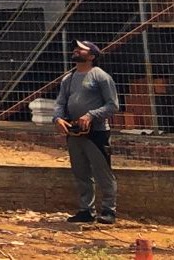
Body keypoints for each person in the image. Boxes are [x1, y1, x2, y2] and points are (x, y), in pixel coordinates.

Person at [52, 39, 120, 224]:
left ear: (91, 56)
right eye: (76, 48)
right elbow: (60, 102)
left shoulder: (100, 76)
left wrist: (91, 115)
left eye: (81, 50)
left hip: (96, 133)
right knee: (80, 172)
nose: (76, 50)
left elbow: (113, 105)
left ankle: (108, 210)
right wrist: (57, 118)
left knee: (102, 172)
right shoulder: (69, 78)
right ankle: (86, 210)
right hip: (73, 132)